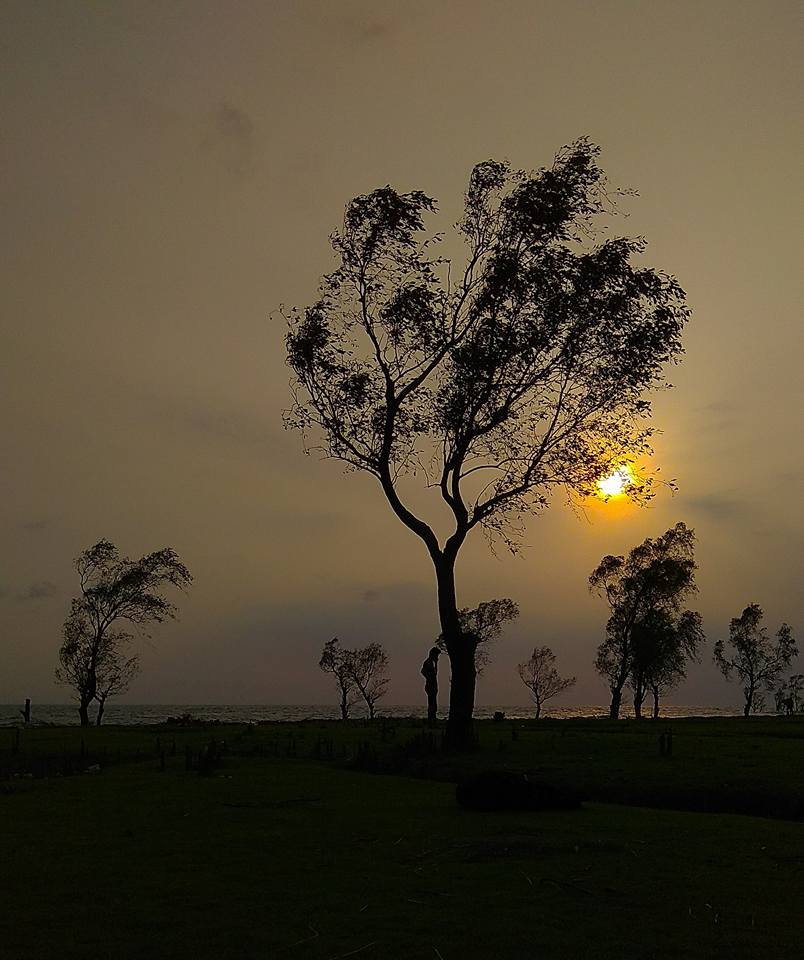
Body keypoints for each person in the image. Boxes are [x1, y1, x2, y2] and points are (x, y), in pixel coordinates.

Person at [421, 647, 441, 724]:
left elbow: (435, 673)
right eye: (436, 655)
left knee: (433, 702)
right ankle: (431, 717)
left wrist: (436, 664)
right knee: (432, 702)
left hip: (432, 684)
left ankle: (432, 717)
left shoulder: (431, 662)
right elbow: (423, 671)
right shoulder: (428, 662)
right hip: (430, 685)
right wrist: (429, 678)